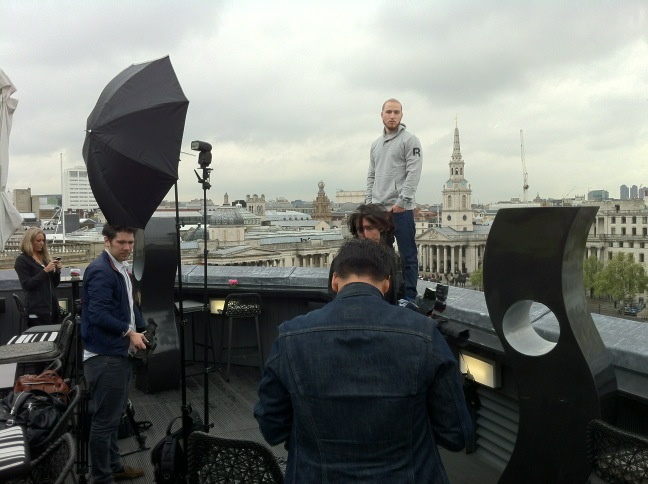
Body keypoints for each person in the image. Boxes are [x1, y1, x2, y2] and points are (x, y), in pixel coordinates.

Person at [255, 238, 472, 483]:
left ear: (335, 281)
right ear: (388, 283)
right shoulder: (425, 333)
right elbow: (456, 434)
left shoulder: (290, 335)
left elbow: (271, 428)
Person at [82, 224, 148, 483]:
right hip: (106, 357)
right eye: (122, 242)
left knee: (112, 415)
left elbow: (128, 304)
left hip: (114, 352)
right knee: (104, 422)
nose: (128, 248)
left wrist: (140, 327)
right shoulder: (100, 271)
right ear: (106, 241)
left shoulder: (118, 268)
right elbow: (98, 315)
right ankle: (102, 477)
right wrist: (129, 333)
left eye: (131, 243)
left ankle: (114, 466)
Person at [366, 98, 422, 300]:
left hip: (401, 211)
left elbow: (414, 173)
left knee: (408, 255)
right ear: (381, 114)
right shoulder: (375, 145)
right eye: (388, 112)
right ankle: (387, 293)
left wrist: (402, 201)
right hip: (379, 211)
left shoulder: (410, 140)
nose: (392, 116)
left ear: (401, 115)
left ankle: (409, 297)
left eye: (396, 112)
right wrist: (368, 204)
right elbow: (371, 175)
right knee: (383, 255)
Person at [328, 203, 405, 304]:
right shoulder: (341, 260)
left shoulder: (395, 259)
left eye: (370, 228)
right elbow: (333, 295)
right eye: (360, 230)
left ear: (381, 228)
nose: (365, 234)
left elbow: (397, 295)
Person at [14, 227, 62, 327]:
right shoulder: (21, 260)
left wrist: (57, 271)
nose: (42, 243)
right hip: (37, 310)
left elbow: (53, 284)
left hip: (52, 307)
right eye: (38, 240)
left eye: (43, 240)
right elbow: (27, 285)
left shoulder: (44, 258)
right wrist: (45, 271)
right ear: (29, 241)